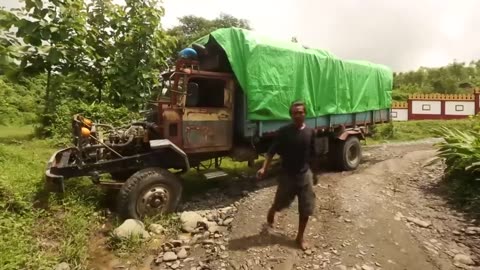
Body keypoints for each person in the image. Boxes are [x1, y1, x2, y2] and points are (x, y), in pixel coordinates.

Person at [256, 100, 317, 250]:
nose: (298, 115)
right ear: (291, 115)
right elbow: (271, 152)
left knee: (306, 207)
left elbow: (313, 155)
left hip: (304, 175)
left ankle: (299, 238)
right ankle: (273, 209)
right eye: (295, 113)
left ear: (305, 114)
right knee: (280, 203)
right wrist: (264, 168)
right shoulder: (284, 132)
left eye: (301, 112)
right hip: (287, 176)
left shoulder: (310, 132)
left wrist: (314, 174)